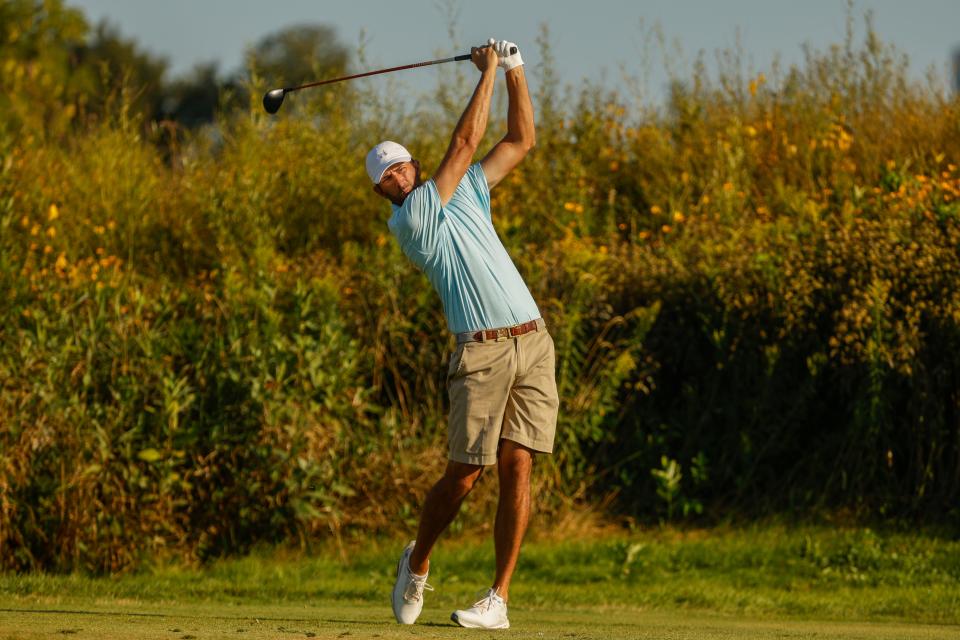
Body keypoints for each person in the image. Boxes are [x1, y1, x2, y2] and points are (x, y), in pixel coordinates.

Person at [365, 39, 559, 630]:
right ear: (384, 192)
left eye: (401, 163)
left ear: (413, 166)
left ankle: (497, 599)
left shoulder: (470, 190)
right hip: (481, 351)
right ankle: (417, 561)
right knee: (466, 475)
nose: (398, 174)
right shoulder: (414, 219)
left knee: (519, 464)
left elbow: (520, 141)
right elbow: (466, 141)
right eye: (387, 174)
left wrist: (518, 71)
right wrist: (489, 70)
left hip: (533, 340)